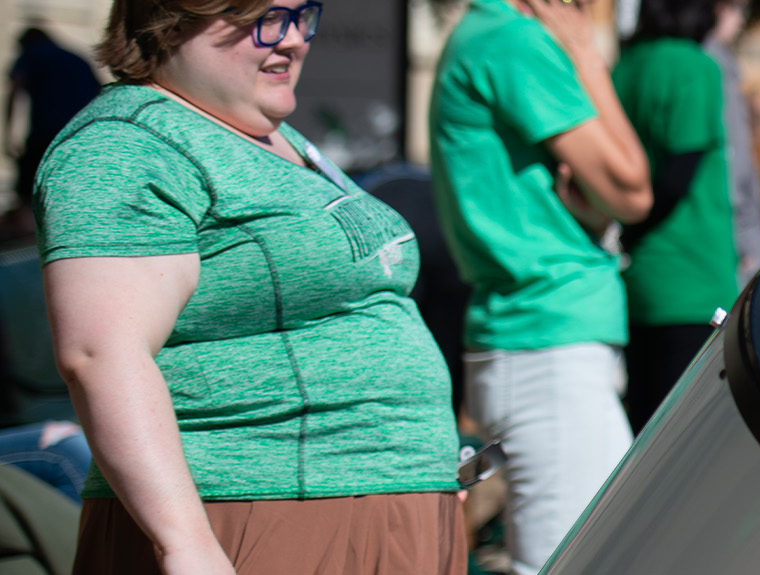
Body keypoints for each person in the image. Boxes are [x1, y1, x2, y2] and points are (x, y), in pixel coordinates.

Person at [39, 1, 466, 573]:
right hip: (254, 511)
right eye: (266, 16)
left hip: (387, 501)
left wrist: (420, 463)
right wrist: (186, 544)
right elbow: (101, 355)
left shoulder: (270, 135)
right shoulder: (124, 145)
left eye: (302, 14)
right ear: (171, 17)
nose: (293, 40)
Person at [428, 0, 654, 572]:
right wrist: (586, 57)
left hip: (541, 337)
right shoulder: (512, 41)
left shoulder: (488, 35)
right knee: (577, 561)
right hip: (545, 342)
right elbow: (632, 187)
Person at [611, 0, 743, 433]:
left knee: (641, 432)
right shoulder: (694, 66)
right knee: (690, 440)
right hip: (692, 276)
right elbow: (678, 176)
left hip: (641, 279)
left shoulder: (625, 65)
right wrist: (639, 224)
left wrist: (628, 232)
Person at [698, 0, 760, 285]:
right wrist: (744, 240)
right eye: (739, 8)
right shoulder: (713, 62)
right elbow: (735, 162)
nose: (742, 19)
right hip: (733, 235)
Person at [5, 27, 101, 205]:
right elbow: (100, 94)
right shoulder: (78, 60)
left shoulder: (32, 54)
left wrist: (9, 135)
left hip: (44, 136)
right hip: (80, 137)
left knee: (29, 195)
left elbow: (15, 90)